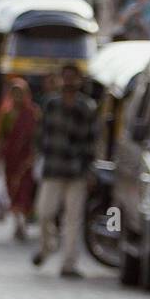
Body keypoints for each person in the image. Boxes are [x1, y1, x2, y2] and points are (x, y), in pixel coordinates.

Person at [31, 64, 98, 279]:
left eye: (73, 77)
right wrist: (36, 157)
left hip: (77, 171)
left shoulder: (86, 107)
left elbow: (91, 142)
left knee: (73, 219)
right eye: (65, 77)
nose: (68, 81)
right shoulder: (51, 104)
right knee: (44, 212)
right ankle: (47, 246)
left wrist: (89, 171)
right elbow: (41, 134)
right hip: (53, 167)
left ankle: (69, 263)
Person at [0, 76, 39, 242]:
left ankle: (23, 221)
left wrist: (35, 155)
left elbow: (38, 137)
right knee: (13, 190)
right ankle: (18, 223)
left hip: (27, 160)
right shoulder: (7, 115)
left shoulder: (33, 113)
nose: (17, 98)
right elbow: (0, 138)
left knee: (25, 191)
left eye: (20, 94)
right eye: (14, 94)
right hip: (11, 159)